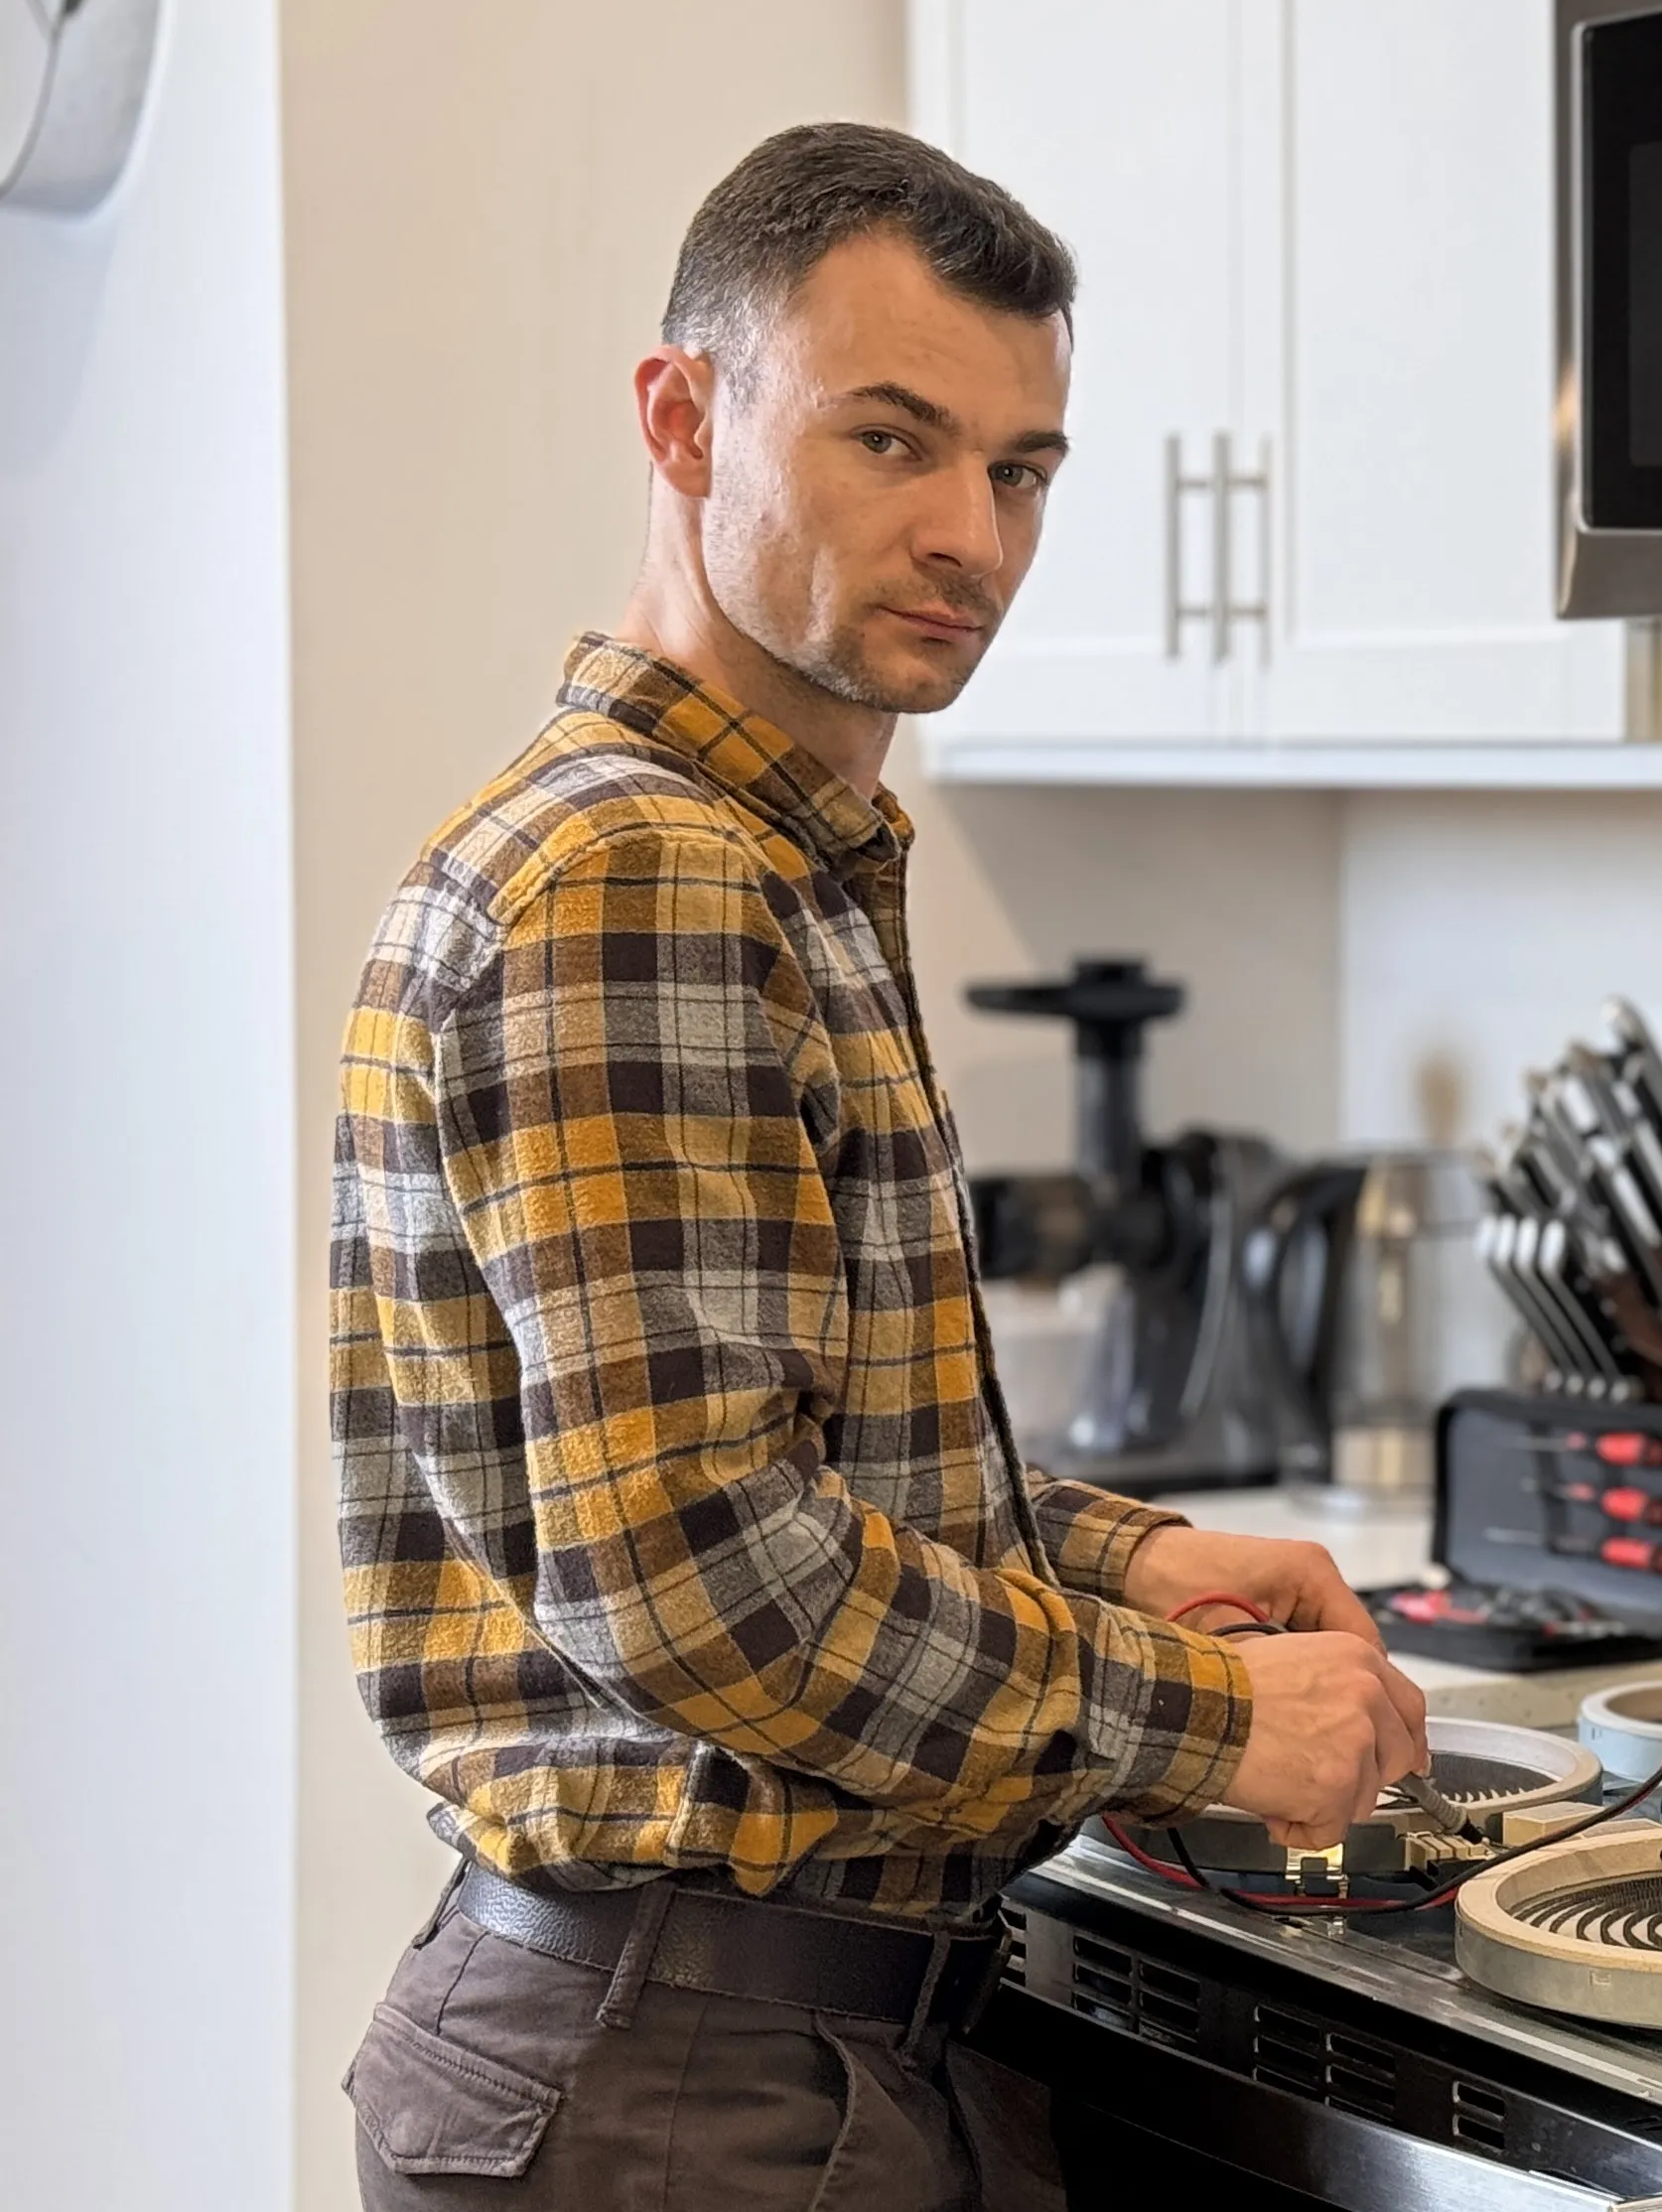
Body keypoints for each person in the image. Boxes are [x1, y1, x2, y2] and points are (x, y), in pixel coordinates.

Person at [327, 122, 1426, 2210]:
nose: (974, 539)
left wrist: (1099, 1557)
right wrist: (1200, 1722)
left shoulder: (746, 857)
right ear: (684, 417)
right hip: (699, 2080)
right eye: (892, 442)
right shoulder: (643, 873)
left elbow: (765, 1465)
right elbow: (703, 1583)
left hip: (727, 2053)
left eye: (1020, 471)